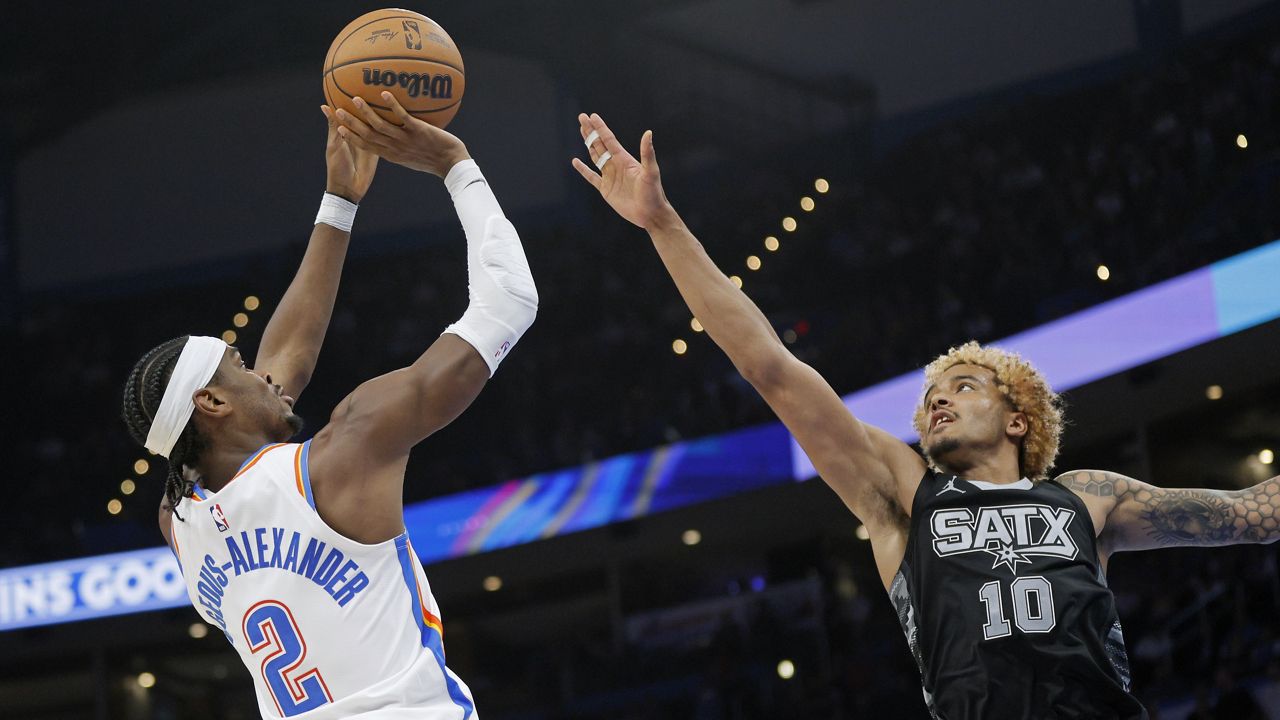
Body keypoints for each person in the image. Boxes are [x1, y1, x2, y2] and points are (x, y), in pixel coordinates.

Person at [570, 112, 1280, 719]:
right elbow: (769, 367)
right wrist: (662, 225)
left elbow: (1253, 515)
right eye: (932, 395)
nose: (937, 398)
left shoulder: (1089, 498)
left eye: (963, 386)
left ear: (1018, 420)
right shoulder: (904, 496)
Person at [121, 93, 537, 719]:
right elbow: (509, 301)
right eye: (240, 369)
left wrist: (339, 204)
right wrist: (456, 165)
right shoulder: (346, 450)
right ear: (209, 402)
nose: (263, 375)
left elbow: (285, 360)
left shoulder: (179, 522)